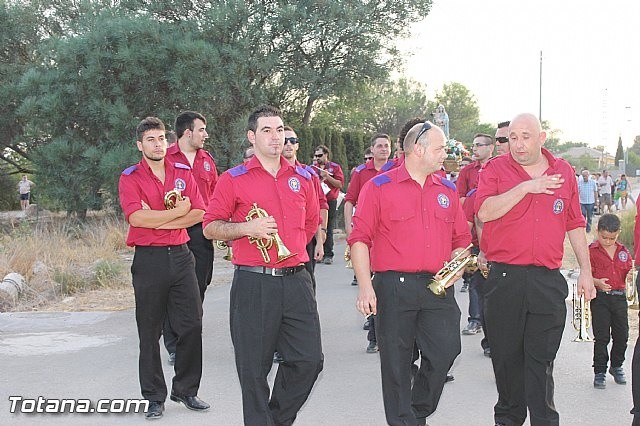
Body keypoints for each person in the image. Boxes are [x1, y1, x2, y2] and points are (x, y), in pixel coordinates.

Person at [202, 105, 322, 426]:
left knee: (309, 361)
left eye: (280, 130)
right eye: (267, 131)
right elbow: (210, 226)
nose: (275, 137)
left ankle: (274, 421)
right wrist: (246, 229)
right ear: (252, 137)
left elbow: (310, 224)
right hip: (254, 283)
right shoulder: (232, 179)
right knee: (253, 370)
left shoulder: (303, 177)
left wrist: (292, 251)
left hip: (297, 281)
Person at [476, 113, 595, 426]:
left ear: (542, 138)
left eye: (525, 136)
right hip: (505, 279)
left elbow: (574, 222)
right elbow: (485, 212)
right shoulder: (495, 168)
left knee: (540, 362)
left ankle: (544, 420)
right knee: (506, 361)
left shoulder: (563, 171)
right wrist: (528, 187)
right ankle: (508, 419)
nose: (518, 144)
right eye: (513, 137)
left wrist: (585, 270)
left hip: (546, 281)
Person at [349, 120, 471, 425]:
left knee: (446, 351)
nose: (446, 153)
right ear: (418, 149)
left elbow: (461, 241)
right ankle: (404, 420)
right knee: (396, 365)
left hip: (437, 286)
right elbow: (359, 240)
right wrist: (366, 287)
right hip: (392, 286)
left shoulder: (447, 188)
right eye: (441, 148)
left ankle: (416, 411)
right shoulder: (378, 187)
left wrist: (457, 263)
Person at [118, 117, 209, 420]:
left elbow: (198, 211)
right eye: (151, 140)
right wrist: (176, 213)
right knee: (149, 330)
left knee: (192, 324)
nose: (158, 145)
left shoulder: (182, 171)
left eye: (161, 139)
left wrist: (162, 216)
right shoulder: (130, 177)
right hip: (149, 260)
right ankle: (154, 396)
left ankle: (185, 389)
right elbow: (136, 219)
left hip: (182, 256)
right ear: (139, 145)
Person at [163, 111, 219, 365]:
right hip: (173, 230)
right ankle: (175, 344)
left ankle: (190, 334)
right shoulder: (165, 158)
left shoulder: (207, 160)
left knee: (199, 285)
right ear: (188, 133)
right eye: (201, 130)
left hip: (201, 231)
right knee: (172, 286)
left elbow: (217, 196)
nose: (205, 135)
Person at [344, 133, 395, 353]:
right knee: (371, 284)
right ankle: (374, 337)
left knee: (384, 286)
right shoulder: (361, 173)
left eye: (387, 146)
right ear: (371, 150)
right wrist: (349, 229)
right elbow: (349, 201)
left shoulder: (397, 169)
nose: (384, 149)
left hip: (388, 237)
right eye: (379, 146)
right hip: (367, 236)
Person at [457, 134, 494, 339]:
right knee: (476, 282)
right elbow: (461, 199)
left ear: (491, 148)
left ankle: (492, 333)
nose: (475, 149)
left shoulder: (499, 167)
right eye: (474, 145)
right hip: (476, 237)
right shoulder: (467, 171)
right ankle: (474, 319)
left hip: (500, 240)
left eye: (479, 145)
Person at [283, 125, 328, 291]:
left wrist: (320, 239)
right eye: (285, 140)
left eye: (292, 141)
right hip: (278, 241)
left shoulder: (308, 174)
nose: (288, 144)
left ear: (297, 145)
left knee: (306, 286)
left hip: (305, 241)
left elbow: (319, 208)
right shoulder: (269, 174)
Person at [589, 213, 630, 389]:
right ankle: (599, 371)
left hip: (619, 298)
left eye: (612, 238)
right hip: (601, 300)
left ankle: (617, 365)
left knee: (622, 335)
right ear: (598, 232)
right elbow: (586, 274)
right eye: (604, 237)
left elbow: (628, 271)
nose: (608, 241)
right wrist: (596, 282)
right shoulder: (591, 251)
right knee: (602, 336)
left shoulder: (623, 252)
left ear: (618, 233)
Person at [313, 144, 344, 264]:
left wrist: (327, 177)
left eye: (320, 155)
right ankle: (317, 252)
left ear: (326, 155)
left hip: (330, 200)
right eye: (316, 156)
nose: (318, 158)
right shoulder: (313, 168)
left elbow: (339, 184)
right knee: (316, 226)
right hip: (317, 201)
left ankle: (328, 254)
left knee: (328, 227)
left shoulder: (334, 167)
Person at [577, 169, 599, 233]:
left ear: (588, 176)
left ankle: (588, 229)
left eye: (586, 176)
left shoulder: (593, 182)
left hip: (590, 202)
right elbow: (577, 192)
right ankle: (583, 227)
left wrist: (596, 201)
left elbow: (595, 192)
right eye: (583, 176)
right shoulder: (580, 182)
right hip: (582, 202)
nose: (584, 177)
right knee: (583, 214)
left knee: (589, 216)